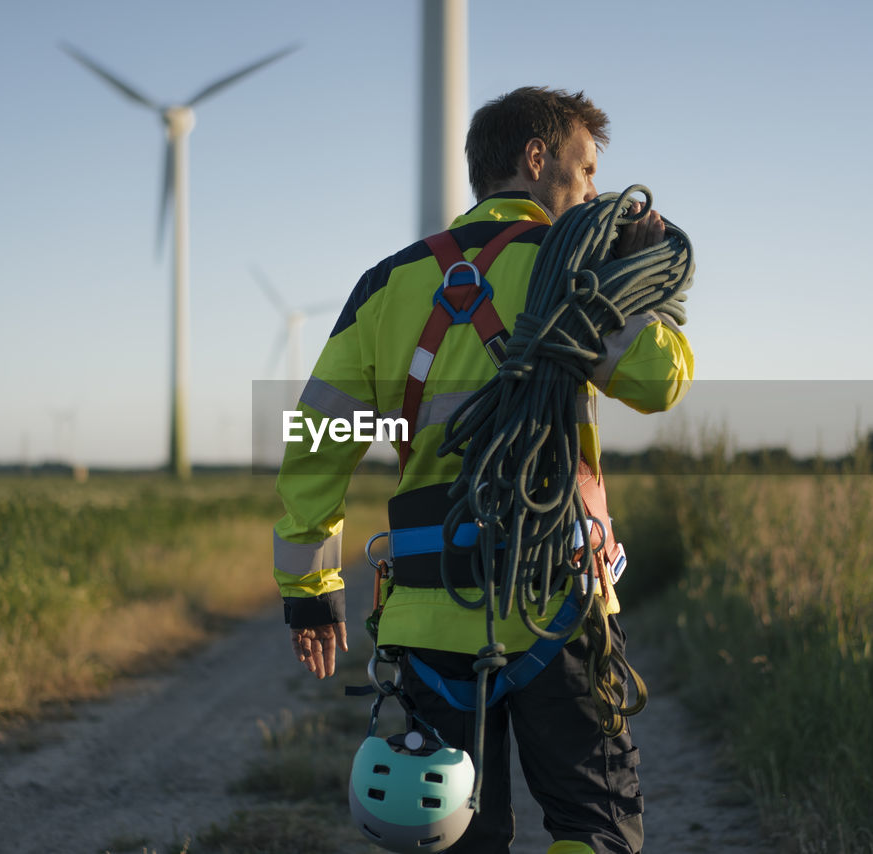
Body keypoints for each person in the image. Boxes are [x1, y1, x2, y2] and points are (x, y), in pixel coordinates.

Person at [273, 86, 694, 854]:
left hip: (431, 617)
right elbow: (659, 382)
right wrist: (641, 278)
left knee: (455, 831)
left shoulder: (387, 284)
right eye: (587, 170)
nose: (595, 193)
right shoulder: (573, 274)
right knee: (594, 825)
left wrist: (310, 588)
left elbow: (319, 438)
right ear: (537, 160)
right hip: (555, 606)